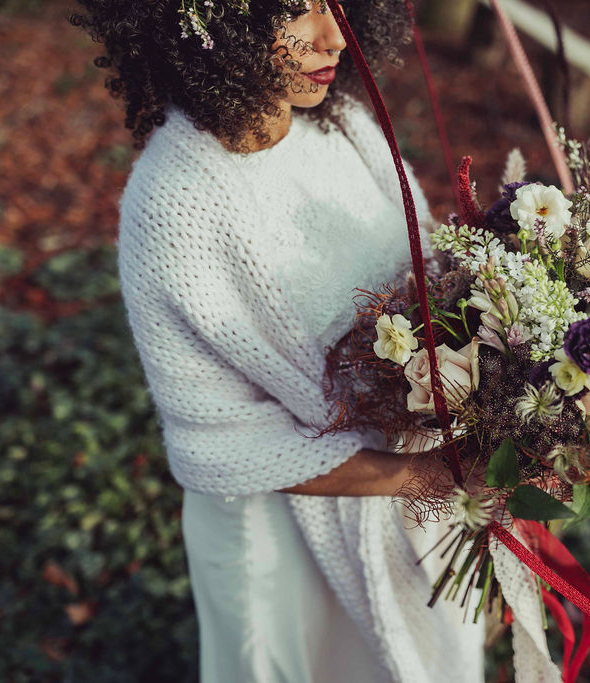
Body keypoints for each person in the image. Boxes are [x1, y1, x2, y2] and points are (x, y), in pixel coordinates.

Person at [69, 1, 488, 681]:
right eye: (295, 12)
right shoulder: (175, 200)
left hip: (405, 502)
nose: (334, 38)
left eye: (336, 5)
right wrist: (421, 477)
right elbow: (226, 442)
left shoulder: (347, 127)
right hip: (278, 538)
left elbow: (434, 280)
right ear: (211, 27)